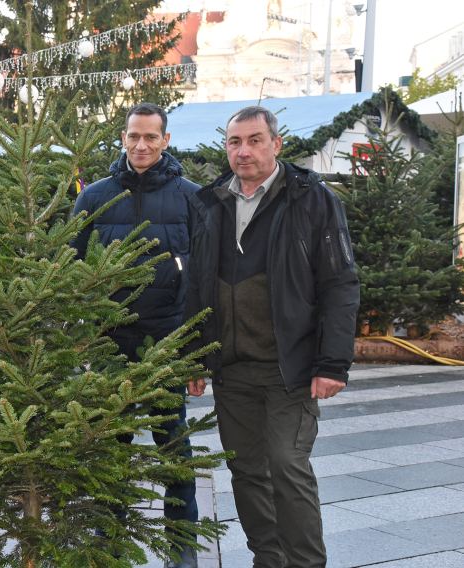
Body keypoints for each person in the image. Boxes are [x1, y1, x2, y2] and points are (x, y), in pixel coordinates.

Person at [184, 106, 359, 567]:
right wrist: (193, 356)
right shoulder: (209, 203)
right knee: (246, 470)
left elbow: (340, 283)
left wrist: (332, 363)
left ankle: (305, 563)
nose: (243, 151)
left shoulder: (313, 200)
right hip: (232, 367)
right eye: (234, 142)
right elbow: (197, 284)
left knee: (287, 465)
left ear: (276, 144)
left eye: (255, 140)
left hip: (291, 366)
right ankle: (269, 558)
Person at [71, 102, 201, 568]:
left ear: (166, 140)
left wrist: (196, 355)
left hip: (167, 342)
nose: (141, 145)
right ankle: (108, 539)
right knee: (110, 449)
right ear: (122, 138)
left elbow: (204, 280)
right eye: (133, 137)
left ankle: (180, 541)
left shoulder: (191, 197)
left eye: (150, 137)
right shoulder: (94, 197)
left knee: (174, 449)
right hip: (110, 343)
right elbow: (70, 269)